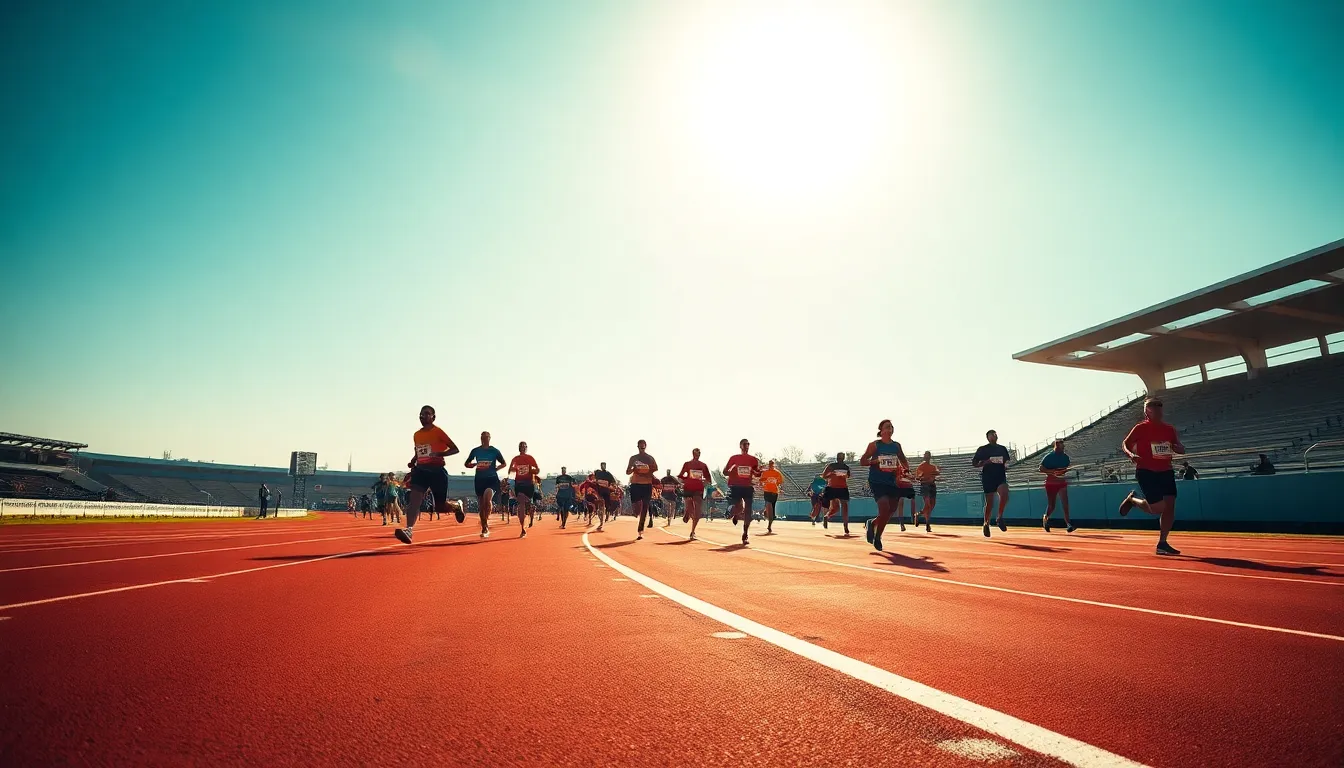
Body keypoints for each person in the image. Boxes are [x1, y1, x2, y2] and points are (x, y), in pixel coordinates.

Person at [1119, 397, 1186, 556]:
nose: (1157, 409)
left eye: (1159, 407)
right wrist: (1131, 454)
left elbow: (1179, 447)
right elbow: (1125, 444)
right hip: (1146, 470)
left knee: (1170, 506)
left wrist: (1180, 448)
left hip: (1166, 470)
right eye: (1153, 407)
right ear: (1147, 411)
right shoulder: (1140, 428)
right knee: (1157, 508)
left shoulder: (1169, 429)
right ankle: (1133, 500)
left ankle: (1162, 543)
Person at [395, 405, 463, 544]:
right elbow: (418, 451)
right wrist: (413, 460)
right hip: (421, 471)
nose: (423, 416)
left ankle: (456, 506)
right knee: (414, 501)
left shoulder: (438, 432)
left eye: (427, 414)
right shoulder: (417, 434)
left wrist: (441, 454)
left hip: (437, 471)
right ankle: (409, 530)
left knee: (440, 507)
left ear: (433, 417)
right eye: (421, 414)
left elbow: (455, 449)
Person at [861, 420, 911, 552]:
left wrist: (906, 470)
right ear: (881, 431)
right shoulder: (874, 445)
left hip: (891, 481)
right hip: (877, 481)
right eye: (887, 427)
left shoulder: (896, 446)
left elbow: (903, 459)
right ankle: (878, 537)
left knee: (892, 509)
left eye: (892, 427)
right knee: (884, 508)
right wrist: (875, 461)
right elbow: (862, 461)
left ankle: (872, 523)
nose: (890, 428)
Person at [464, 432, 505, 538]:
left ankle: (487, 518)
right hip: (479, 479)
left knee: (487, 498)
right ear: (480, 438)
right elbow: (466, 463)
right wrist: (471, 465)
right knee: (481, 505)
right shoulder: (475, 451)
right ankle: (484, 526)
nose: (484, 439)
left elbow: (504, 463)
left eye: (486, 437)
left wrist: (496, 469)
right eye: (483, 437)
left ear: (490, 438)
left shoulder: (494, 451)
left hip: (491, 479)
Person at [972, 430, 1011, 538]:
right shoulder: (983, 449)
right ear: (987, 438)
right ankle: (986, 523)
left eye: (995, 434)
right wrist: (986, 462)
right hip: (988, 477)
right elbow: (974, 463)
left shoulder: (1002, 449)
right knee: (989, 502)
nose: (993, 436)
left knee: (1005, 494)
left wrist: (1005, 464)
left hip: (1000, 475)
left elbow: (1007, 461)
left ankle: (999, 517)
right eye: (991, 435)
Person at [724, 439, 761, 545]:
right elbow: (725, 471)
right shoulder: (734, 458)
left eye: (748, 444)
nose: (746, 446)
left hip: (748, 486)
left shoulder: (753, 459)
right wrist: (731, 470)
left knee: (748, 510)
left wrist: (759, 472)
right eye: (744, 444)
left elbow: (756, 473)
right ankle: (733, 512)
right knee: (739, 507)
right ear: (740, 446)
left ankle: (745, 534)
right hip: (736, 486)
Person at [1038, 439, 1076, 533]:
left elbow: (1065, 468)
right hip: (1051, 482)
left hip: (1061, 482)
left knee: (1065, 503)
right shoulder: (1049, 457)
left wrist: (1063, 471)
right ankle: (1045, 518)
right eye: (1061, 446)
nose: (1063, 448)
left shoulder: (1065, 457)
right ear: (1056, 446)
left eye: (1063, 446)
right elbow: (1041, 468)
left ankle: (1068, 524)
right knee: (1052, 505)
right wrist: (1051, 471)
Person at [625, 440, 659, 540]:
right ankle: (636, 513)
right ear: (638, 447)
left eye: (643, 447)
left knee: (645, 507)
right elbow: (627, 471)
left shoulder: (650, 458)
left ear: (645, 447)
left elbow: (655, 468)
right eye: (640, 447)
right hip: (635, 484)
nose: (642, 449)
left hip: (647, 485)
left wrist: (648, 469)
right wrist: (633, 469)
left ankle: (640, 530)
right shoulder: (633, 458)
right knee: (636, 511)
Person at [678, 449, 711, 540]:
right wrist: (685, 479)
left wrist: (704, 482)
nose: (697, 455)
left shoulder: (703, 465)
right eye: (696, 453)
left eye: (699, 453)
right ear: (693, 454)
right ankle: (687, 512)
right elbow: (680, 476)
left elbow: (709, 478)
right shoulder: (687, 464)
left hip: (698, 490)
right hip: (688, 488)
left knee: (698, 512)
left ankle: (692, 531)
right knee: (690, 508)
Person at [508, 443, 539, 538]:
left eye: (524, 447)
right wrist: (515, 469)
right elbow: (510, 470)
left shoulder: (530, 458)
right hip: (519, 484)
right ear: (518, 448)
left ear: (526, 448)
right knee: (521, 504)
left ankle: (531, 514)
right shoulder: (515, 459)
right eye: (521, 447)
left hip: (529, 484)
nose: (522, 448)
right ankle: (523, 528)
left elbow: (537, 470)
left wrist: (530, 470)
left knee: (528, 505)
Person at [821, 452, 852, 535]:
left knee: (845, 506)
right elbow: (824, 476)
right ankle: (826, 516)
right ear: (837, 458)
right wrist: (831, 474)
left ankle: (846, 526)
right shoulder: (831, 466)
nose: (840, 459)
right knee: (836, 508)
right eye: (839, 457)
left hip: (843, 488)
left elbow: (848, 476)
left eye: (842, 458)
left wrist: (845, 476)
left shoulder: (846, 467)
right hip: (832, 488)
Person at [913, 451, 939, 532]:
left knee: (932, 505)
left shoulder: (933, 466)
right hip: (925, 486)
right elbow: (917, 477)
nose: (927, 457)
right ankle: (928, 524)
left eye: (928, 456)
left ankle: (919, 514)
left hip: (932, 486)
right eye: (926, 456)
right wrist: (923, 478)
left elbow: (936, 474)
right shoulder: (921, 466)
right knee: (927, 504)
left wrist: (935, 475)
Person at [759, 460, 784, 535]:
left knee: (772, 511)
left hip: (774, 492)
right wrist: (762, 484)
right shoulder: (765, 473)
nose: (771, 466)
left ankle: (769, 525)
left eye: (772, 465)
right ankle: (766, 510)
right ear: (768, 465)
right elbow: (761, 481)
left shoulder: (777, 473)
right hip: (767, 492)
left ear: (774, 465)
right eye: (770, 465)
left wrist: (780, 488)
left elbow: (780, 482)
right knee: (768, 504)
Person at [592, 462, 618, 532]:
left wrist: (613, 487)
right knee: (601, 507)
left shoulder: (608, 474)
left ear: (606, 466)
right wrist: (595, 482)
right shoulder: (598, 473)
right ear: (600, 466)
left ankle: (607, 515)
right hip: (599, 492)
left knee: (607, 507)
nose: (603, 466)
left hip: (606, 492)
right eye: (602, 465)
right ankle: (601, 523)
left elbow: (614, 482)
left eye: (604, 465)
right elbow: (594, 479)